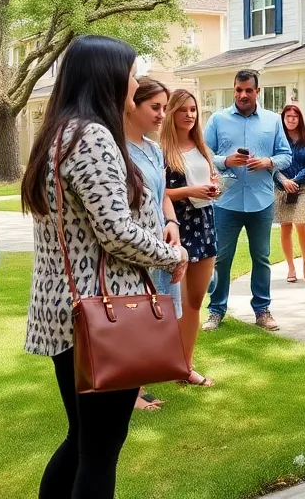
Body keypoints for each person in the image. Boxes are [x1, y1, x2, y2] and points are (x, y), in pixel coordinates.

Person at [22, 36, 188, 498]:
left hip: (70, 311)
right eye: (132, 73)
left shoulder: (58, 132)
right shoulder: (91, 136)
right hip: (102, 314)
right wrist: (172, 254)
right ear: (107, 76)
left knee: (83, 441)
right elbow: (115, 231)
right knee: (100, 449)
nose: (135, 83)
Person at [203, 69, 293, 332]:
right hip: (226, 202)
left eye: (248, 90)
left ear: (258, 92)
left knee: (262, 257)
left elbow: (286, 155)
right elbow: (204, 153)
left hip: (261, 201)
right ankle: (216, 311)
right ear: (234, 90)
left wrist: (268, 162)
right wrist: (226, 161)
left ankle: (262, 310)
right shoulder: (218, 120)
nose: (243, 95)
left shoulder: (273, 120)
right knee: (221, 258)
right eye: (239, 90)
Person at [124, 76, 186, 411]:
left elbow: (161, 196)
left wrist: (173, 223)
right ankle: (131, 392)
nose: (163, 114)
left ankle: (138, 384)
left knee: (154, 315)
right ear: (132, 105)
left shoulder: (151, 147)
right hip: (138, 246)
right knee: (134, 317)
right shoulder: (119, 150)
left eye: (164, 107)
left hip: (162, 240)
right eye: (155, 107)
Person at [161, 89, 220, 387]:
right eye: (183, 109)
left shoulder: (201, 146)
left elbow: (207, 181)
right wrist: (189, 192)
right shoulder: (159, 150)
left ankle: (185, 366)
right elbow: (153, 194)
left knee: (195, 302)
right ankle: (165, 364)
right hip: (176, 228)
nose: (189, 114)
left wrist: (212, 187)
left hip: (205, 223)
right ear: (171, 112)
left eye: (194, 110)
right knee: (175, 304)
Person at [275, 104, 305, 283]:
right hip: (282, 188)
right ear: (283, 119)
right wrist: (284, 181)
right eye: (288, 117)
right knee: (286, 226)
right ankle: (291, 267)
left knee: (301, 222)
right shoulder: (277, 140)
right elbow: (273, 165)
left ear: (299, 119)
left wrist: (295, 180)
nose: (291, 119)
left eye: (295, 116)